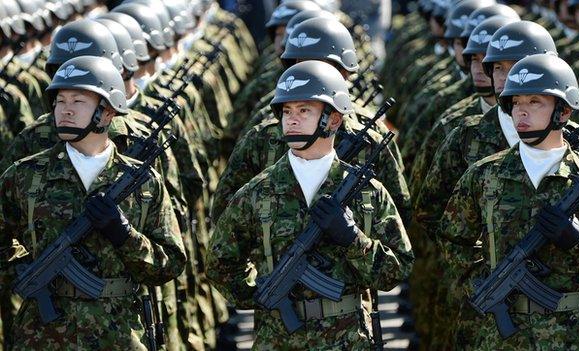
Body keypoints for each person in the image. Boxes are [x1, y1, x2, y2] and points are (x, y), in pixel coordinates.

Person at [206, 60, 413, 349]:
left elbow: (399, 268)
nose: (291, 120)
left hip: (348, 339)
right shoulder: (255, 192)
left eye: (304, 110)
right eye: (287, 111)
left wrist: (354, 240)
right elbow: (220, 263)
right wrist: (264, 294)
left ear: (334, 120)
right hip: (278, 339)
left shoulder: (367, 192)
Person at [0, 55, 186, 350]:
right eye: (60, 101)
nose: (66, 111)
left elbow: (171, 264)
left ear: (108, 112)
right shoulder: (24, 176)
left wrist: (125, 236)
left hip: (121, 332)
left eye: (78, 102)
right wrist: (25, 271)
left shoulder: (142, 182)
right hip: (44, 334)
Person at [440, 53, 579, 349]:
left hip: (569, 335)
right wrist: (485, 283)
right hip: (499, 338)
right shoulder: (484, 174)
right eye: (516, 103)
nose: (521, 113)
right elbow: (452, 238)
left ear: (563, 112)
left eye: (534, 102)